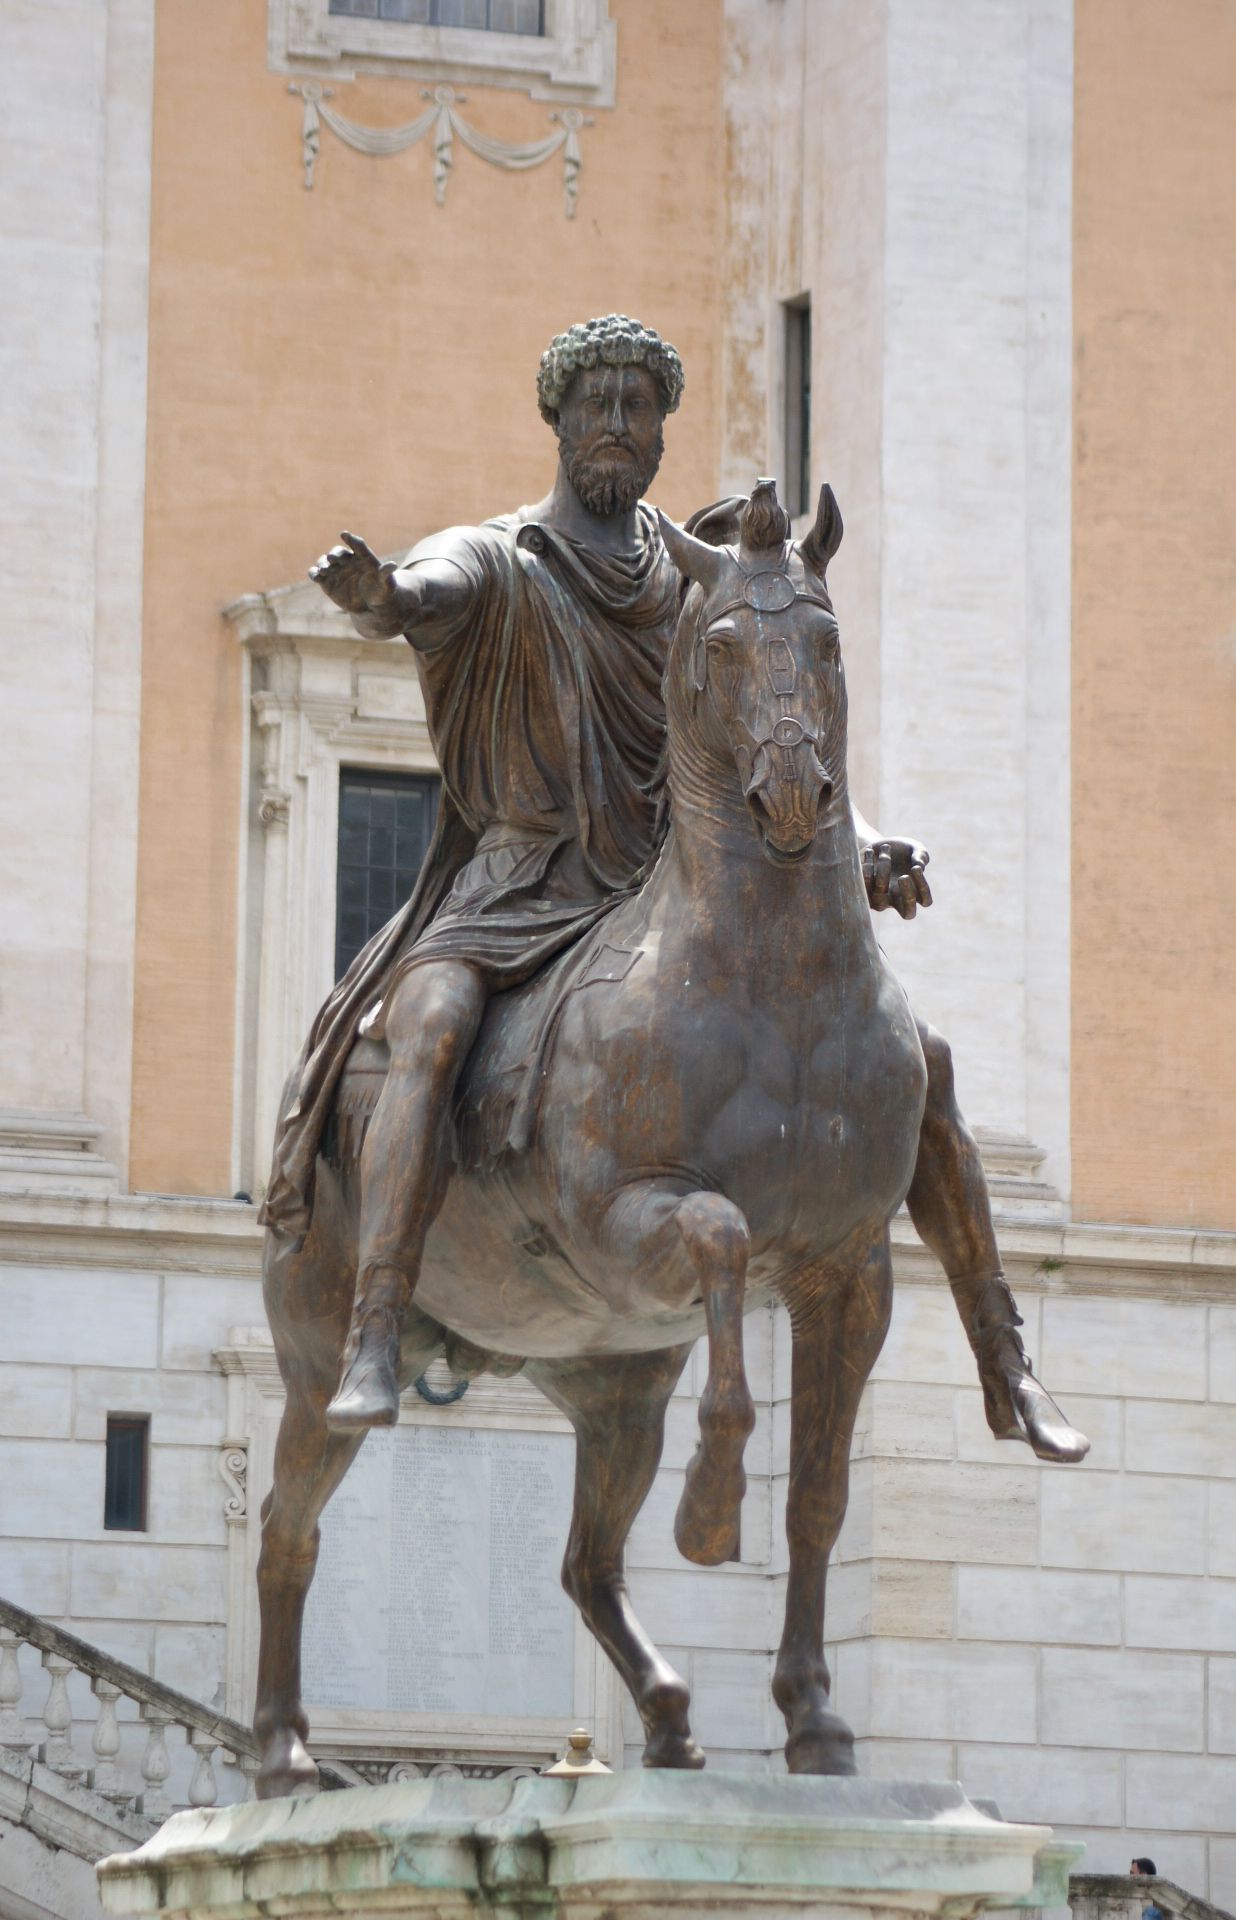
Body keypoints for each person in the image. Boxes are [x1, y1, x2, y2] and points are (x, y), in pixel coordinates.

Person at [262, 312, 1086, 1467]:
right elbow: (428, 591)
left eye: (636, 407)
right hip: (518, 883)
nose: (613, 424)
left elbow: (769, 725)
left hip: (661, 888)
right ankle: (377, 1319)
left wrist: (867, 840)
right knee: (434, 1021)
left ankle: (1002, 1347)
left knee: (920, 1057)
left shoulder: (691, 579)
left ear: (659, 434)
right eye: (592, 402)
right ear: (555, 419)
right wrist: (383, 596)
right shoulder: (503, 557)